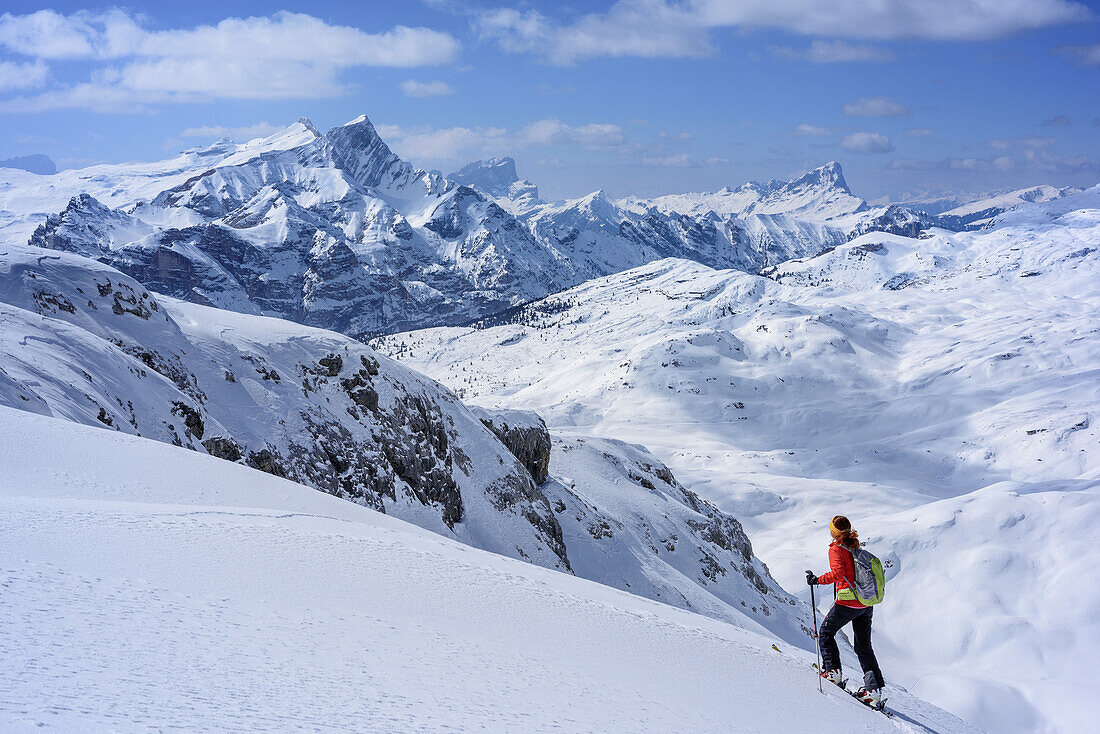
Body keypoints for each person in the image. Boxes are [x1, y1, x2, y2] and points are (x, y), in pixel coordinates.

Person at [806, 515, 885, 707]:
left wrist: (817, 580)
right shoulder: (854, 546)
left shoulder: (836, 549)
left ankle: (832, 672)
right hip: (865, 602)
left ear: (833, 532)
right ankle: (873, 691)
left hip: (848, 600)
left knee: (826, 632)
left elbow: (838, 574)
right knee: (863, 645)